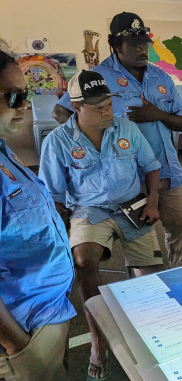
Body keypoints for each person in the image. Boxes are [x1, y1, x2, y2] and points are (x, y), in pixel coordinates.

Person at [40, 70, 164, 380]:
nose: (108, 111)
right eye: (99, 107)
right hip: (88, 209)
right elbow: (53, 195)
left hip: (131, 206)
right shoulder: (57, 142)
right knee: (84, 259)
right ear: (77, 106)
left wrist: (152, 202)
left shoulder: (127, 129)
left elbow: (151, 166)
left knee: (148, 273)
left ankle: (149, 335)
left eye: (109, 104)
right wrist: (61, 236)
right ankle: (98, 340)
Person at [52, 11, 182, 268]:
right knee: (135, 238)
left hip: (167, 169)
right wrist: (94, 145)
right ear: (116, 44)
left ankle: (175, 273)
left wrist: (156, 114)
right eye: (134, 44)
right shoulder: (97, 76)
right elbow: (61, 112)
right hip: (127, 177)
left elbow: (181, 123)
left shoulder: (161, 77)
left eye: (144, 44)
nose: (142, 50)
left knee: (179, 225)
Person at [0, 50, 76, 381]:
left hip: (47, 310)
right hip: (24, 329)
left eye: (25, 95)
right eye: (13, 96)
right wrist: (19, 347)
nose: (24, 106)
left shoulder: (5, 151)